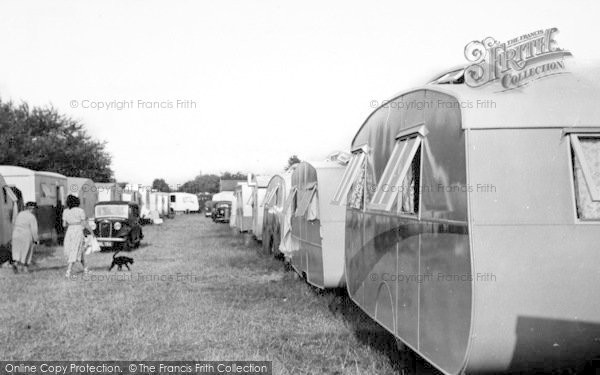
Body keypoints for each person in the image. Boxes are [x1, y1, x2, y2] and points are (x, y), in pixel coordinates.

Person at [63, 195, 90, 277]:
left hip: (69, 231)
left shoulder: (65, 211)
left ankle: (86, 269)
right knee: (76, 250)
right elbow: (84, 223)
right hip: (78, 230)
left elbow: (64, 224)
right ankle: (69, 270)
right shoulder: (80, 211)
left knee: (72, 250)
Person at [12, 202, 39, 273]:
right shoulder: (31, 217)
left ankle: (15, 263)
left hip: (16, 233)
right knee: (27, 251)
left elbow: (14, 222)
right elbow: (34, 230)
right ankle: (25, 268)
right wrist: (36, 239)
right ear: (32, 209)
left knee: (17, 250)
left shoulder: (20, 214)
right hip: (26, 234)